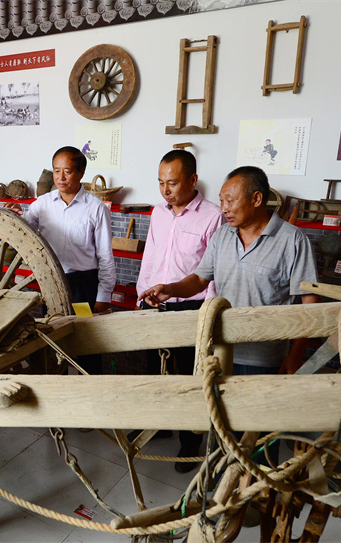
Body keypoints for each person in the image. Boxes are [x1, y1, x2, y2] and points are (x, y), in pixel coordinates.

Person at [138, 165, 318, 376]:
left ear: (257, 199)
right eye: (221, 200)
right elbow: (199, 280)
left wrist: (296, 355)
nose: (224, 208)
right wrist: (170, 289)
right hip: (220, 350)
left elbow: (310, 303)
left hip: (265, 358)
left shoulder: (293, 240)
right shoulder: (223, 235)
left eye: (231, 201)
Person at [134, 149, 225, 472]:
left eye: (172, 183)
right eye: (161, 183)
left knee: (189, 374)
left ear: (193, 180)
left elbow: (211, 272)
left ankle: (189, 438)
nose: (165, 190)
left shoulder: (213, 215)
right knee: (157, 370)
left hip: (192, 306)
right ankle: (159, 424)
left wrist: (209, 315)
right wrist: (141, 296)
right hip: (156, 303)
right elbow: (151, 259)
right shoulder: (158, 213)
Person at [4, 146, 115, 373]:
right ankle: (57, 383)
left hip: (83, 286)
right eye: (56, 171)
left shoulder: (95, 208)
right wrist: (17, 215)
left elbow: (105, 256)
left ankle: (92, 388)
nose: (60, 177)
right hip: (52, 284)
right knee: (52, 335)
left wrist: (104, 295)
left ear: (81, 172)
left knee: (87, 338)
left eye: (67, 171)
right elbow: (26, 229)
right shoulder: (42, 204)